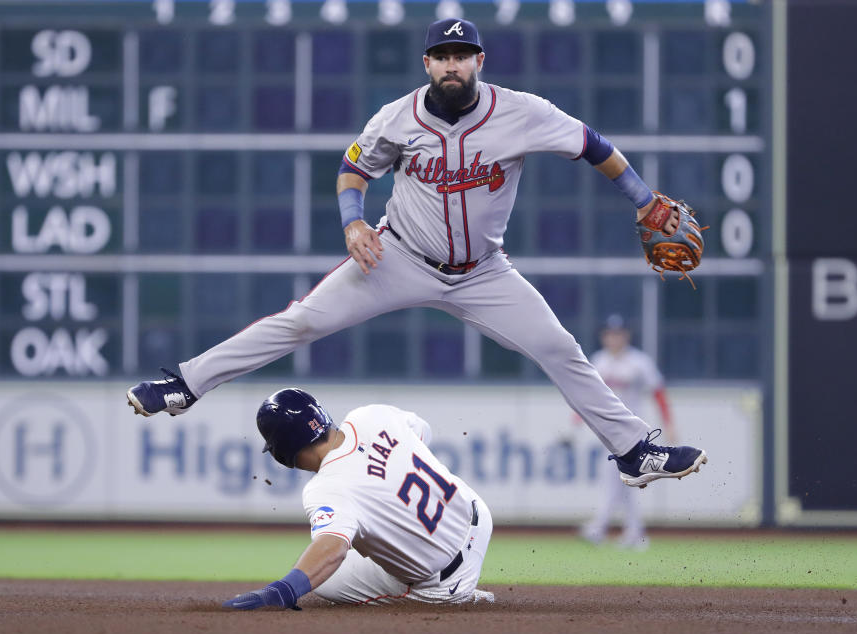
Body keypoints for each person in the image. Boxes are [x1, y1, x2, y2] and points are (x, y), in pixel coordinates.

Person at [127, 18, 707, 488]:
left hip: (484, 272)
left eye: (463, 54)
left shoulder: (523, 111)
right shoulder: (396, 118)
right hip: (397, 258)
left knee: (560, 348)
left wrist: (642, 199)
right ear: (426, 64)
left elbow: (591, 145)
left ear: (481, 62)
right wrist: (353, 223)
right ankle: (186, 383)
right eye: (442, 55)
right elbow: (354, 168)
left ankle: (633, 451)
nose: (452, 63)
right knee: (299, 320)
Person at [221, 388, 494, 609]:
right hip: (477, 517)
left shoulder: (326, 488)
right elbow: (423, 433)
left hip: (444, 583)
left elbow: (333, 549)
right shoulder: (371, 415)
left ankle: (464, 595)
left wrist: (282, 591)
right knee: (363, 532)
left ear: (283, 450)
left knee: (321, 577)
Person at [576, 314, 676, 548]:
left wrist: (669, 423)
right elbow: (583, 393)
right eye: (610, 334)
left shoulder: (639, 362)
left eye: (618, 333)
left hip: (633, 431)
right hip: (608, 432)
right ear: (603, 337)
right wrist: (576, 421)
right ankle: (633, 533)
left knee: (621, 480)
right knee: (625, 481)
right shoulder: (598, 360)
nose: (614, 338)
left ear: (626, 336)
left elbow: (658, 392)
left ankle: (601, 527)